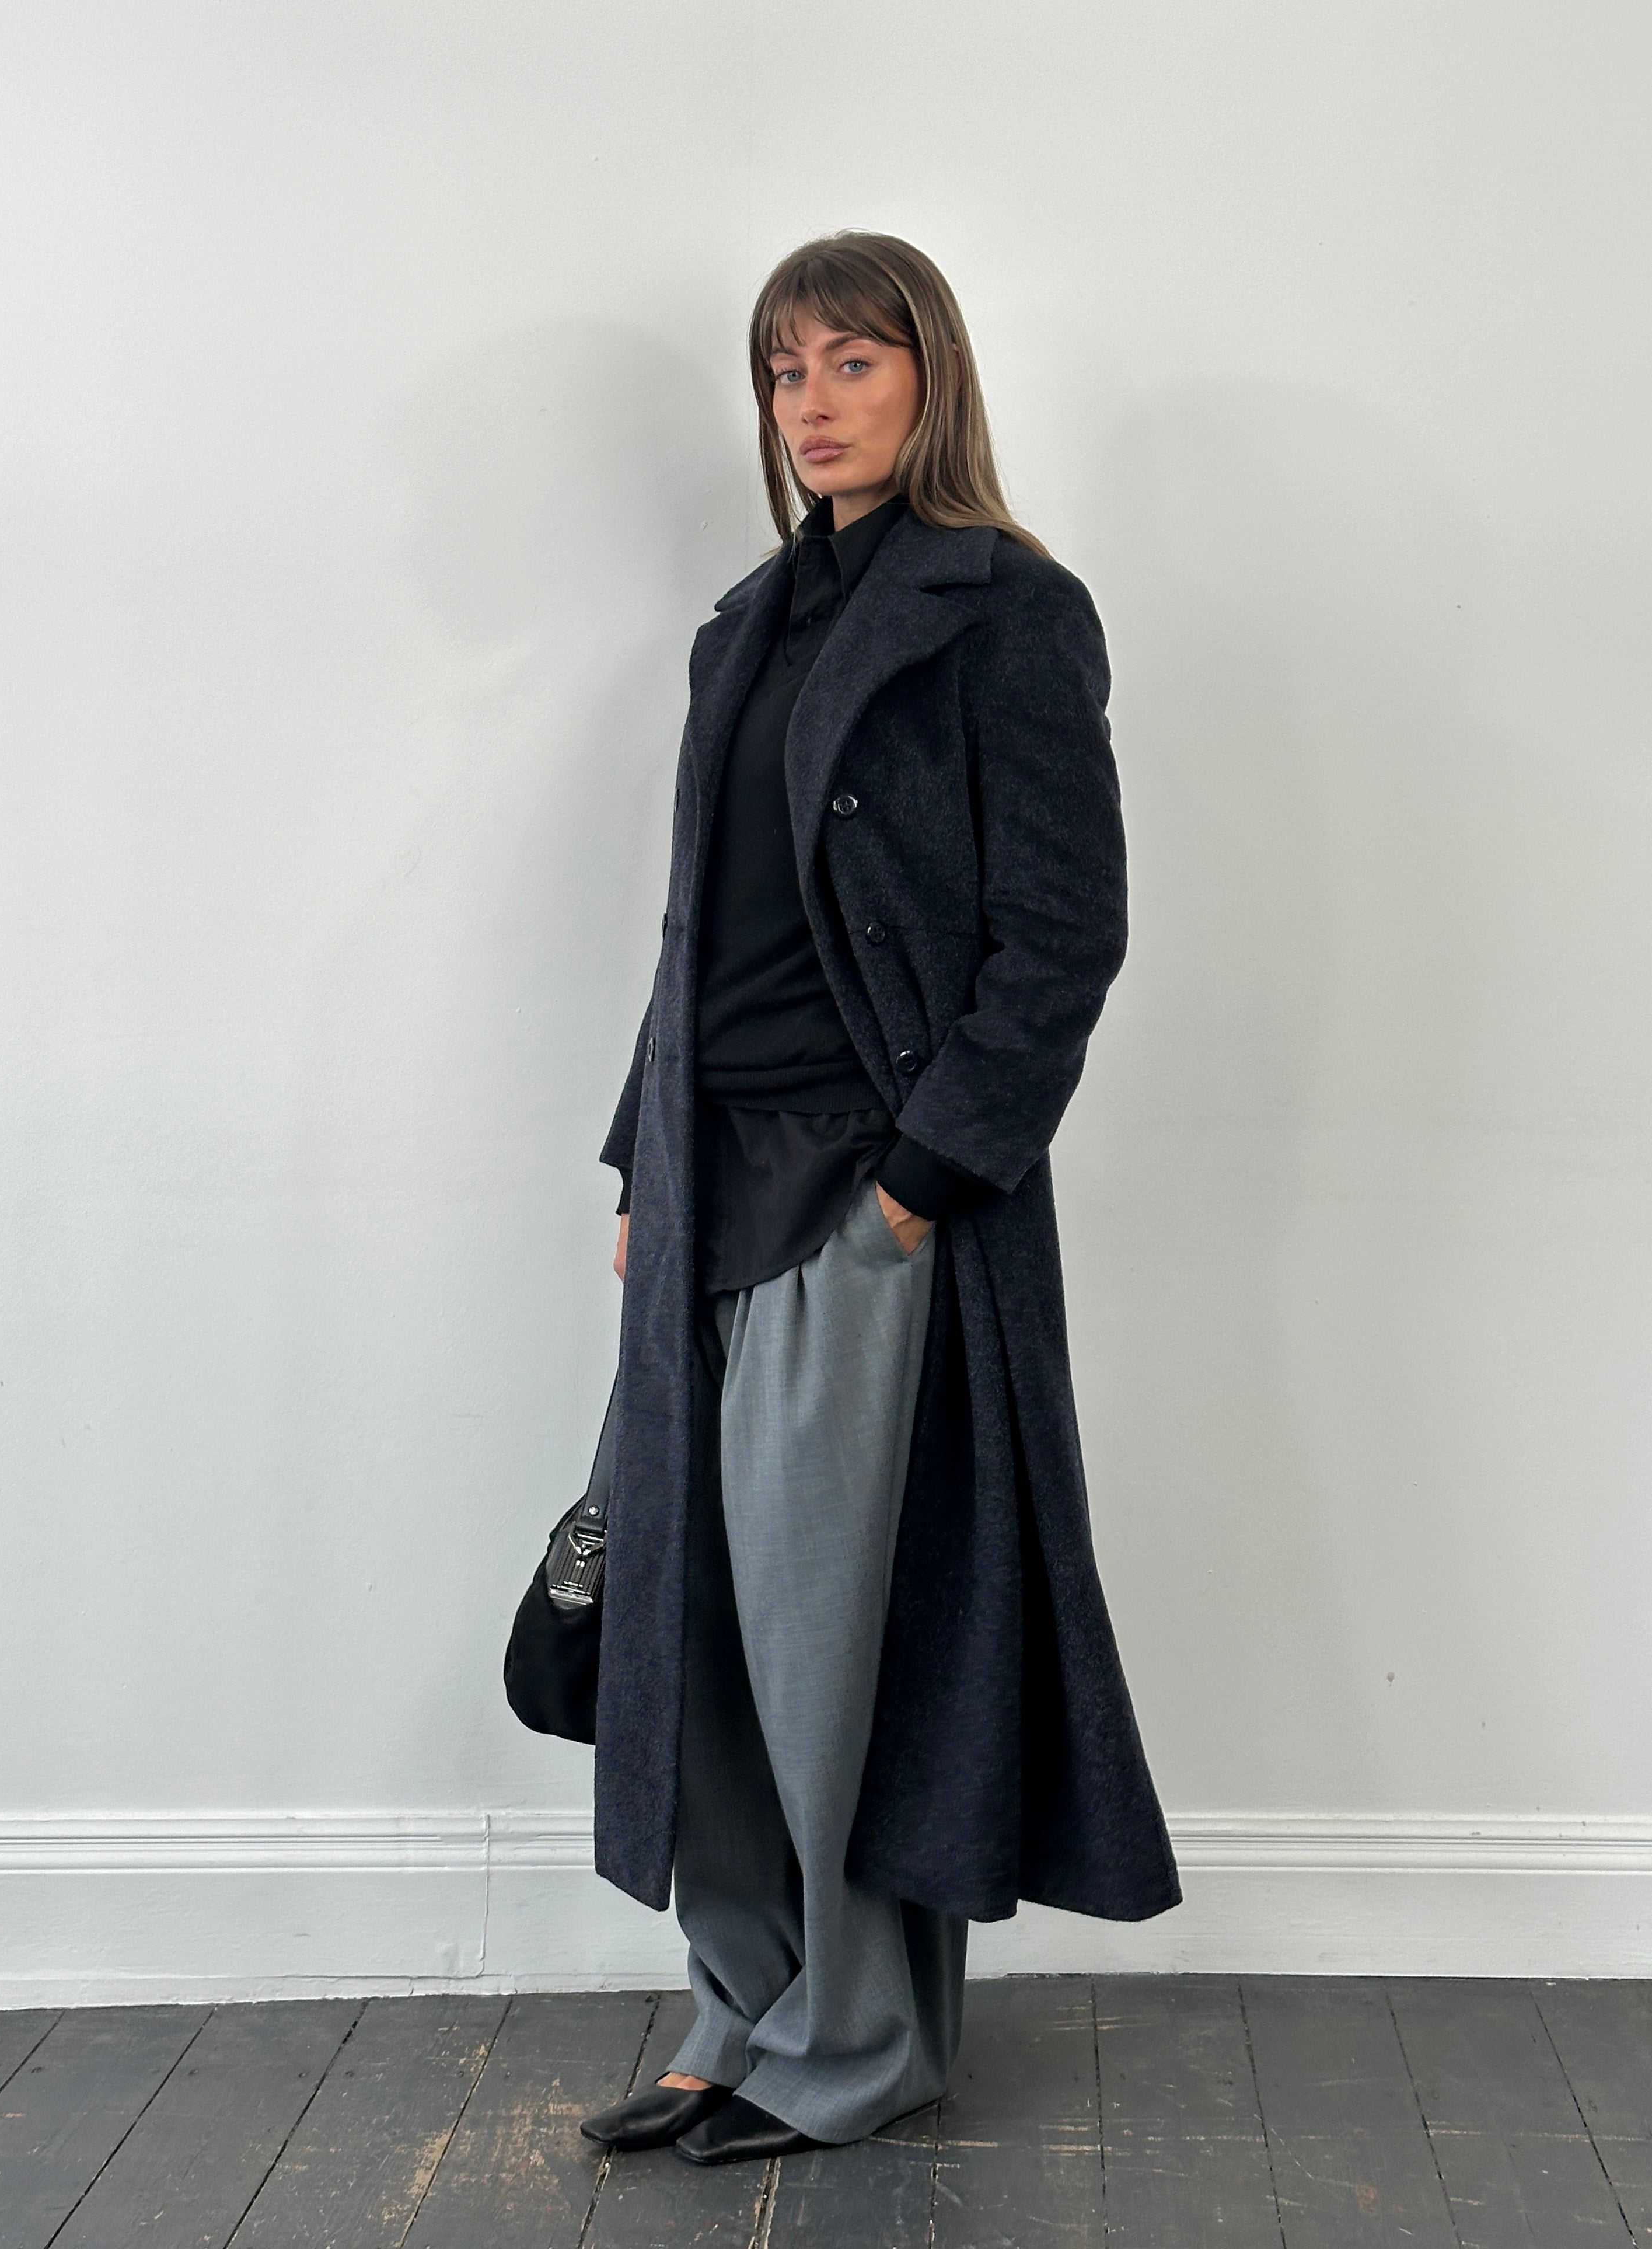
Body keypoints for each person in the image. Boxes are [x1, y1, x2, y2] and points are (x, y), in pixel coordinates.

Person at [579, 231, 1180, 2168]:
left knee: (836, 1649)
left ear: (931, 376)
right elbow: (701, 930)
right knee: (699, 1637)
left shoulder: (1004, 608)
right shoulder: (746, 624)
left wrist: (926, 1182)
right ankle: (740, 2007)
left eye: (853, 359)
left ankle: (856, 2040)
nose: (813, 401)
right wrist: (638, 1156)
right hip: (708, 1178)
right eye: (784, 370)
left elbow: (1061, 934)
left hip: (863, 1187)